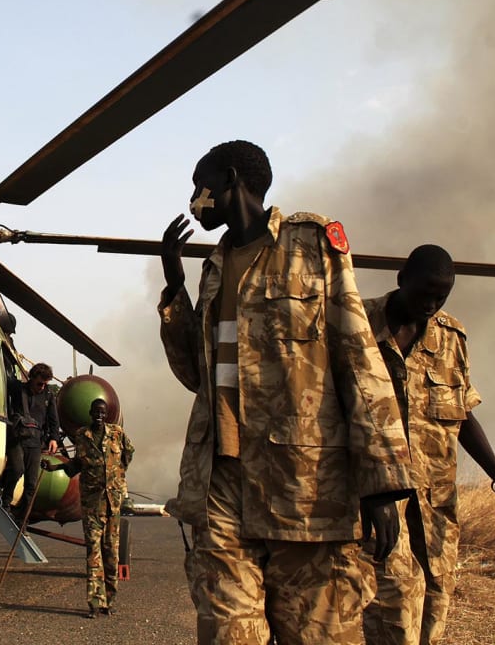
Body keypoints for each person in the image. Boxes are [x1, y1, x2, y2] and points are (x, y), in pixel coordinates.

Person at [158, 139, 414, 645]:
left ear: (231, 178)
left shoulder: (310, 244)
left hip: (306, 489)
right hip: (222, 482)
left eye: (200, 184)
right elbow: (195, 375)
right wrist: (174, 284)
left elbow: (359, 357)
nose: (194, 197)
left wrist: (381, 483)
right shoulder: (213, 269)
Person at [360, 244, 495, 645]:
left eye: (442, 296)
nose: (431, 303)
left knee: (433, 615)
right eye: (425, 293)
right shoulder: (358, 324)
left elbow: (462, 413)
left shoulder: (451, 337)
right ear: (402, 279)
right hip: (378, 499)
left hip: (435, 507)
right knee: (394, 609)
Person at [42, 398, 134, 617]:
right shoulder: (82, 437)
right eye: (96, 412)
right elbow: (76, 465)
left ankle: (109, 601)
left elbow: (128, 454)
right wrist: (55, 467)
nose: (100, 416)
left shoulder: (117, 434)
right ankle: (94, 602)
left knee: (110, 553)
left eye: (103, 412)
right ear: (91, 413)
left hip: (112, 503)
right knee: (93, 551)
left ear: (107, 414)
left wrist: (116, 476)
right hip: (91, 504)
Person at [0, 363, 64, 519]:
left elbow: (53, 419)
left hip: (35, 442)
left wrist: (54, 439)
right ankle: (6, 502)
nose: (42, 387)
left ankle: (23, 518)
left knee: (31, 484)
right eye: (39, 383)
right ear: (31, 378)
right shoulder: (17, 389)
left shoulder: (48, 396)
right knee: (17, 470)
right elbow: (2, 378)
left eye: (45, 384)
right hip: (17, 439)